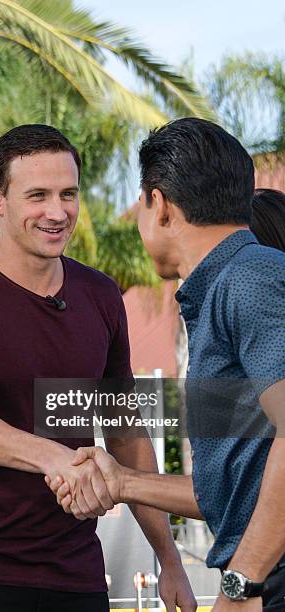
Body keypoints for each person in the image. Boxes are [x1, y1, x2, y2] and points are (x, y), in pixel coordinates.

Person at [0, 124, 195, 612]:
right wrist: (55, 458)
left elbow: (125, 432)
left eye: (68, 194)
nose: (57, 212)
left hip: (79, 578)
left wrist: (168, 556)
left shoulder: (101, 294)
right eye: (37, 195)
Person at [49, 119, 285, 612]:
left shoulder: (248, 279)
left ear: (159, 205)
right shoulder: (223, 288)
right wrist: (122, 482)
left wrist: (245, 582)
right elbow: (238, 487)